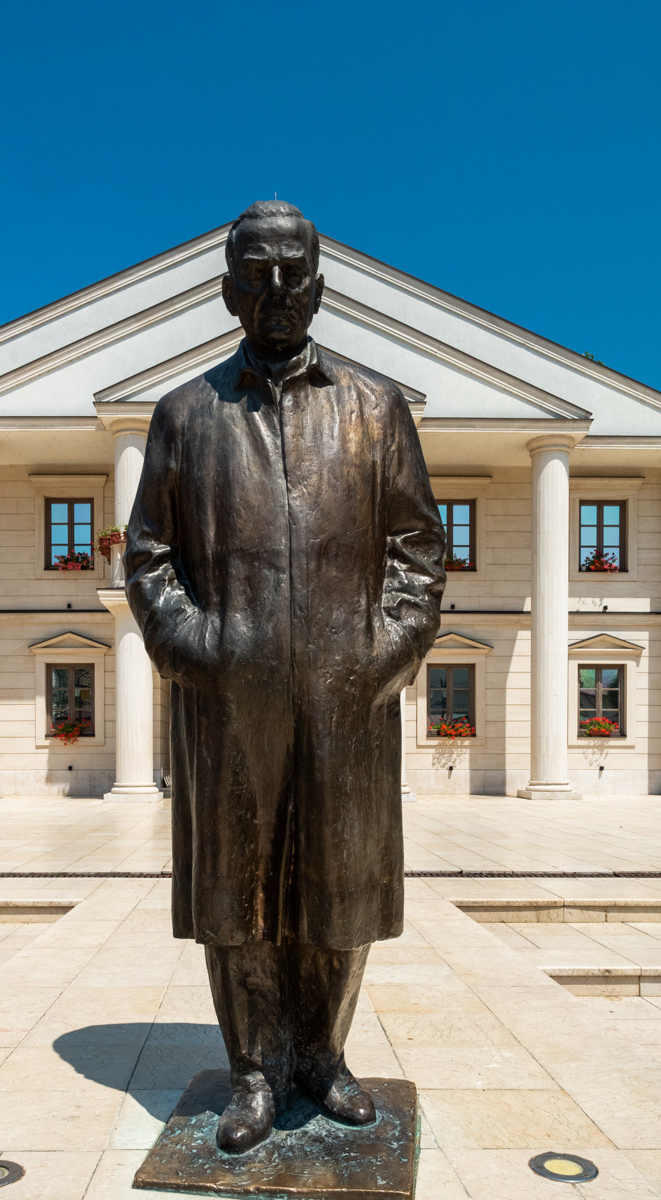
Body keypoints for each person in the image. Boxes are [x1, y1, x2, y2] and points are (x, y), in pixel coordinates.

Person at [125, 200, 446, 1153]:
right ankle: (255, 1072)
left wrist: (383, 653)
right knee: (239, 894)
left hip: (348, 698)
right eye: (256, 273)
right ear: (228, 291)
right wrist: (200, 648)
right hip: (230, 702)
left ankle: (324, 1056)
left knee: (341, 887)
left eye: (291, 273)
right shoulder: (187, 414)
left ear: (319, 287)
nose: (275, 289)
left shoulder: (376, 408)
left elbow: (419, 550)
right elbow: (149, 556)